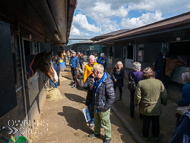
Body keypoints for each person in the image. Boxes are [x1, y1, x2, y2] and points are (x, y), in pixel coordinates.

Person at [134, 67, 167, 141]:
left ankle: (145, 136)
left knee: (146, 122)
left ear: (144, 74)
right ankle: (156, 136)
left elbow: (137, 96)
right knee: (156, 122)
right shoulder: (159, 82)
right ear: (152, 74)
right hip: (156, 106)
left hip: (145, 106)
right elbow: (164, 94)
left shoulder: (140, 83)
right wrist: (164, 102)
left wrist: (137, 103)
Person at [88, 64, 115, 143]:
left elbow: (112, 97)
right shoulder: (96, 79)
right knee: (96, 120)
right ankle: (96, 132)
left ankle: (108, 137)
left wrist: (106, 107)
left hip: (103, 107)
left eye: (93, 72)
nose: (92, 73)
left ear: (98, 72)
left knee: (106, 123)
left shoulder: (107, 81)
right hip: (97, 105)